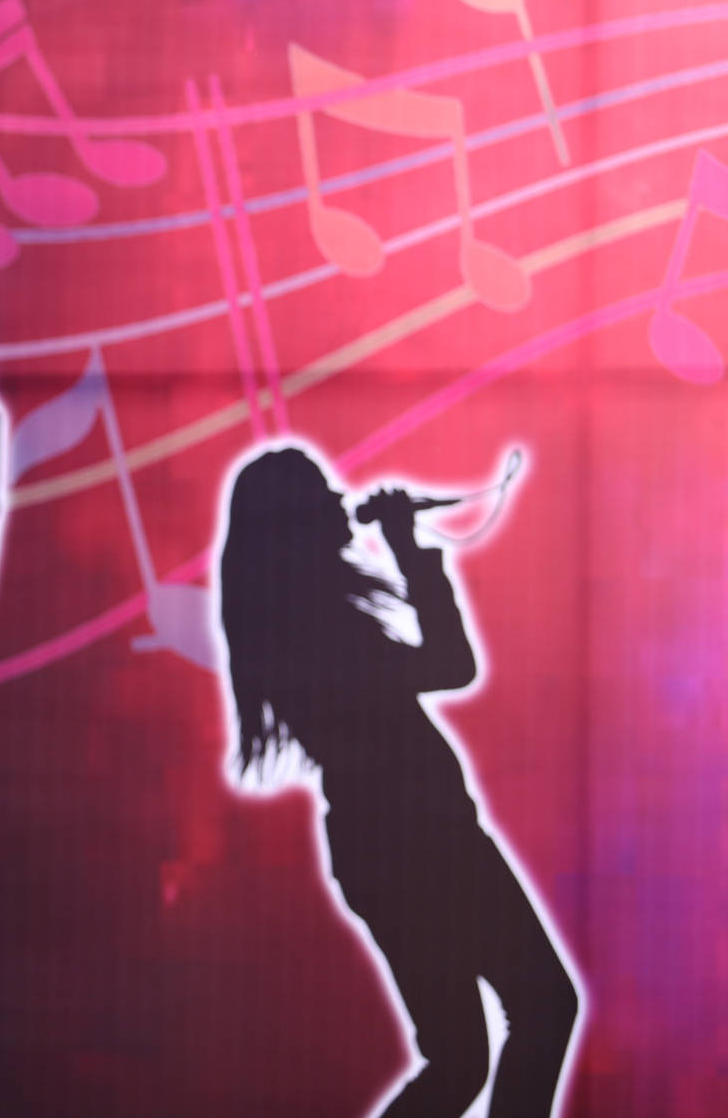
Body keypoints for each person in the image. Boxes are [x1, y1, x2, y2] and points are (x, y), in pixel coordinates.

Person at [217, 446, 577, 1118]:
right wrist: (408, 550)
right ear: (292, 523)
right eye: (320, 492)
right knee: (539, 1005)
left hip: (392, 847)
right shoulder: (315, 632)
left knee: (462, 1056)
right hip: (422, 845)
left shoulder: (299, 624)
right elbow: (451, 664)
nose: (337, 498)